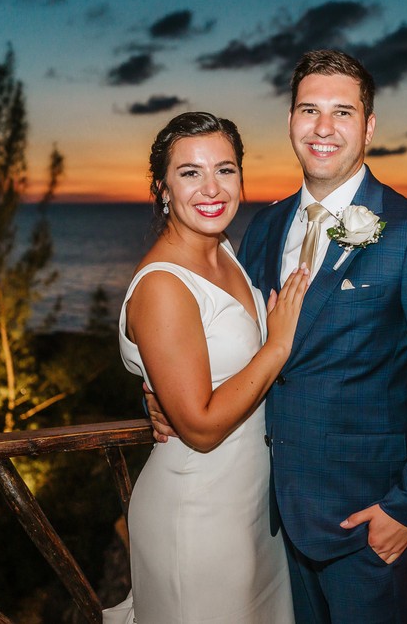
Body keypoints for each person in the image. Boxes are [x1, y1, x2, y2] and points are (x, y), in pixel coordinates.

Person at [151, 50, 407, 623]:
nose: (323, 128)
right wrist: (164, 391)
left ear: (369, 126)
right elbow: (230, 336)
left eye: (342, 112)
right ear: (290, 121)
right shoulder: (264, 227)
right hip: (270, 517)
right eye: (309, 110)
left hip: (368, 525)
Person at [103, 112, 308, 624]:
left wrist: (161, 393)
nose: (211, 188)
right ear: (162, 188)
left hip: (252, 507)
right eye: (190, 172)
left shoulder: (224, 253)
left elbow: (202, 368)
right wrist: (276, 346)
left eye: (225, 169)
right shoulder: (163, 286)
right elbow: (199, 425)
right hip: (197, 512)